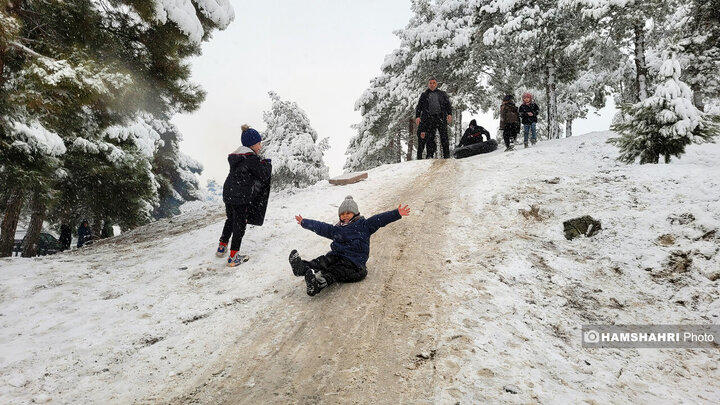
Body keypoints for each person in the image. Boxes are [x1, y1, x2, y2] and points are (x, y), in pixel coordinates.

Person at [289, 196, 410, 296]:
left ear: (355, 213)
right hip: (337, 255)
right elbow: (322, 227)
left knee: (336, 271)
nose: (345, 216)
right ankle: (303, 267)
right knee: (324, 260)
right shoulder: (337, 229)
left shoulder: (364, 225)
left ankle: (317, 284)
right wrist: (305, 222)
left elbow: (379, 219)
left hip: (354, 264)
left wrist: (396, 213)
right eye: (342, 214)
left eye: (348, 213)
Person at [217, 124, 272, 267]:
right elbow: (263, 175)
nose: (260, 147)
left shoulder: (236, 157)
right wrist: (266, 164)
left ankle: (222, 246)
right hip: (240, 196)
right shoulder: (251, 158)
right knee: (240, 224)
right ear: (253, 144)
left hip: (229, 193)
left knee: (230, 219)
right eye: (259, 143)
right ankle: (233, 257)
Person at [415, 77, 453, 159]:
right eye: (430, 83)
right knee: (430, 138)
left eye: (434, 83)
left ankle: (447, 155)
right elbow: (419, 107)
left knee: (444, 137)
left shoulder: (442, 94)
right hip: (429, 119)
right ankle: (430, 155)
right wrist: (417, 116)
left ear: (436, 84)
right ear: (428, 84)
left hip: (441, 118)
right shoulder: (424, 95)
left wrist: (449, 114)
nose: (432, 85)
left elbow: (448, 105)